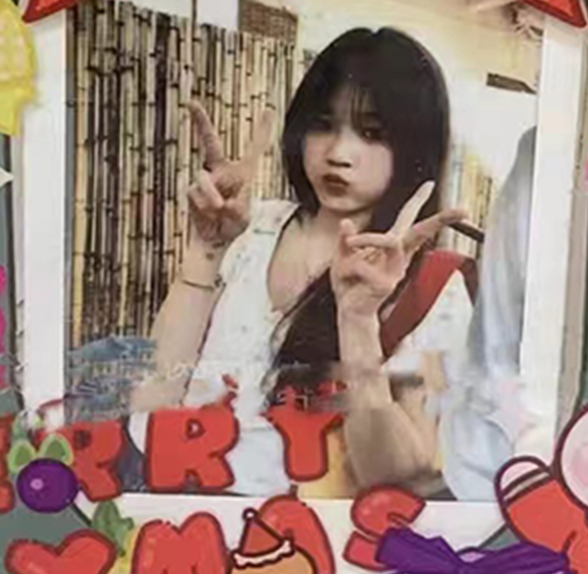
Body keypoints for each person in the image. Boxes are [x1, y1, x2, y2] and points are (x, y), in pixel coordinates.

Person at [133, 26, 471, 496]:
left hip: (294, 535)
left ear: (415, 148)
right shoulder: (252, 228)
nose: (338, 154)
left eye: (372, 133)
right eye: (323, 124)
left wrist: (358, 324)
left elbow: (398, 483)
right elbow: (151, 400)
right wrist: (205, 251)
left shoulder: (434, 289)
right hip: (172, 507)